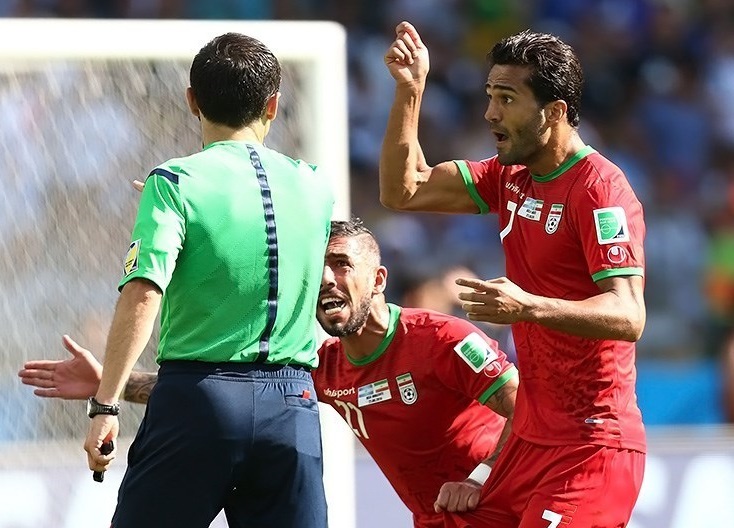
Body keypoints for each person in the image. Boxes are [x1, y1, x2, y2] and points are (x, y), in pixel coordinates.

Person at [20, 218, 519, 528]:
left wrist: (477, 477)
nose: (328, 279)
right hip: (441, 518)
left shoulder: (444, 340)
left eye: (343, 265)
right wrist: (111, 383)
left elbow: (529, 407)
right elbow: (216, 387)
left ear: (379, 279)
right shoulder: (320, 365)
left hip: (508, 505)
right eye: (318, 268)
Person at [380, 21, 647, 528]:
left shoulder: (599, 190)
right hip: (526, 441)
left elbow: (628, 313)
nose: (489, 113)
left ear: (554, 112)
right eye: (489, 96)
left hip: (590, 445)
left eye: (506, 99)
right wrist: (410, 91)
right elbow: (404, 191)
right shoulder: (510, 178)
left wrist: (526, 306)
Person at [79, 32, 333, 528]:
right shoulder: (313, 183)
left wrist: (105, 404)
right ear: (273, 105)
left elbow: (143, 290)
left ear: (191, 100)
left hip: (198, 399)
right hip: (293, 404)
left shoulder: (174, 182)